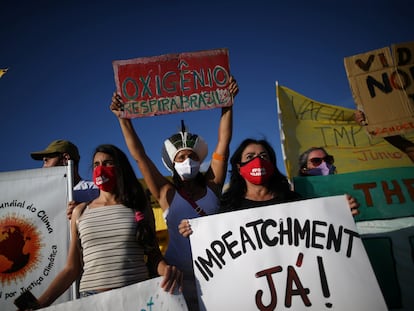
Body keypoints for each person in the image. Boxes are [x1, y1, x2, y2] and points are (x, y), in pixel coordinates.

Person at [110, 76, 239, 310]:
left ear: (200, 161)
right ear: (173, 163)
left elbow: (224, 142)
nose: (187, 160)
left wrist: (227, 104)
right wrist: (123, 119)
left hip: (218, 273)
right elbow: (140, 156)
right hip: (176, 278)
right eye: (181, 157)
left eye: (192, 156)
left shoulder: (212, 184)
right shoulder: (166, 192)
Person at [30, 144, 183, 309]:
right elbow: (72, 269)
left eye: (108, 163)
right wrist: (37, 304)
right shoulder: (80, 211)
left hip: (137, 298)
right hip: (92, 301)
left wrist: (167, 270)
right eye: (96, 165)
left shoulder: (138, 205)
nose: (100, 169)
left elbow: (153, 256)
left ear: (120, 168)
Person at [179, 138, 359, 237]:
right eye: (249, 157)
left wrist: (341, 210)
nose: (258, 160)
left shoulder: (293, 200)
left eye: (264, 156)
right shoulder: (228, 207)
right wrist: (192, 229)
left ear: (272, 164)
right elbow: (212, 235)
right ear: (239, 168)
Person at [31, 139, 99, 214]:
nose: (43, 167)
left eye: (46, 161)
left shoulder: (96, 191)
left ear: (65, 158)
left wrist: (83, 210)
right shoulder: (44, 196)